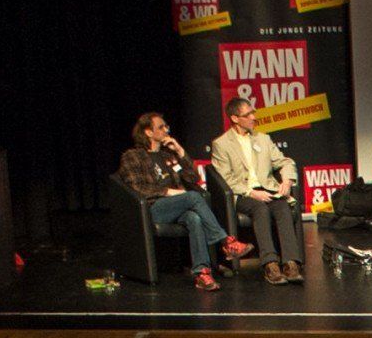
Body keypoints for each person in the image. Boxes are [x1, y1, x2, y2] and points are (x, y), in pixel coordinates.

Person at [118, 111, 244, 290]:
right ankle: (225, 242)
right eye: (161, 127)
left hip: (177, 207)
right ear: (148, 132)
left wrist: (180, 151)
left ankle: (202, 273)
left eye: (166, 126)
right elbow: (137, 187)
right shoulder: (133, 156)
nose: (166, 130)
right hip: (152, 208)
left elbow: (192, 178)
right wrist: (170, 192)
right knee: (193, 197)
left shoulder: (167, 156)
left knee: (195, 218)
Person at [211, 90, 308, 283]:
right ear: (235, 118)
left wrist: (287, 181)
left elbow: (285, 162)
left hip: (268, 190)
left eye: (253, 113)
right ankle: (270, 264)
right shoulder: (221, 144)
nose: (253, 117)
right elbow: (225, 179)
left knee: (282, 207)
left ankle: (290, 263)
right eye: (248, 115)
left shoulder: (263, 139)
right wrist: (251, 193)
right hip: (243, 195)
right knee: (260, 208)